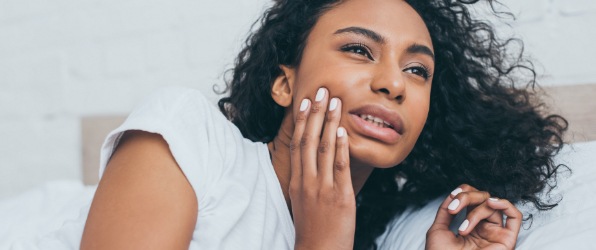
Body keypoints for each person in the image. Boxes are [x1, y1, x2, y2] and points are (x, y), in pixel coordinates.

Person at [80, 0, 567, 249]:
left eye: (417, 71)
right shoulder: (189, 137)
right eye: (358, 49)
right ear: (284, 85)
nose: (393, 83)